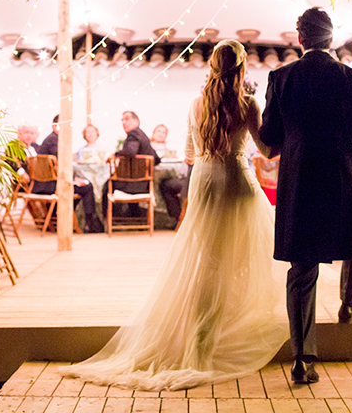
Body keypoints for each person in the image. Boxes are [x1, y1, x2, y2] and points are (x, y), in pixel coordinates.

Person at [60, 39, 287, 390]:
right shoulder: (249, 103)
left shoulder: (197, 103)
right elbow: (269, 151)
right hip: (238, 184)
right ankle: (215, 335)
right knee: (242, 259)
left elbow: (189, 153)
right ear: (241, 68)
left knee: (208, 263)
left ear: (212, 66)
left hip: (205, 182)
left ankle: (202, 337)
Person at [259, 7, 352, 384]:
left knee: (302, 267)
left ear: (300, 39)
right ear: (331, 39)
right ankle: (348, 306)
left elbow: (270, 137)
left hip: (300, 178)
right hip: (345, 174)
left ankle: (302, 358)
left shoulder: (281, 78)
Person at [37, 115, 104, 233]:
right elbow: (62, 163)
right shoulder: (54, 140)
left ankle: (65, 218)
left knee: (84, 185)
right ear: (55, 126)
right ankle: (89, 223)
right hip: (51, 185)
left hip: (47, 182)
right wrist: (73, 179)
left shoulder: (52, 139)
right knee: (87, 187)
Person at [102, 112, 161, 218]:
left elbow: (130, 151)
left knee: (107, 186)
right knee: (125, 180)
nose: (124, 122)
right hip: (144, 184)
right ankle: (134, 218)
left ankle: (107, 221)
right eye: (122, 120)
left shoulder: (133, 134)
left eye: (127, 119)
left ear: (136, 121)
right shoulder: (144, 137)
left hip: (132, 186)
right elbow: (156, 159)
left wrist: (115, 154)